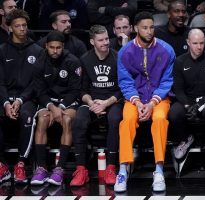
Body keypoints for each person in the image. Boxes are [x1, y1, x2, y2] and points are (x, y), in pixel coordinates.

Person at [114, 11, 175, 193]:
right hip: (135, 99)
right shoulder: (125, 52)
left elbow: (166, 81)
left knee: (159, 120)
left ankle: (159, 171)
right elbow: (125, 81)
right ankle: (123, 170)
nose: (149, 31)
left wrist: (152, 103)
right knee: (126, 122)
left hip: (159, 98)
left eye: (151, 27)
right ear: (135, 29)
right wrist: (139, 103)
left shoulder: (167, 50)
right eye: (145, 28)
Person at [70, 25, 123, 187]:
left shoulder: (118, 57)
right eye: (101, 40)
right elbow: (82, 90)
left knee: (115, 118)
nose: (105, 42)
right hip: (93, 102)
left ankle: (112, 167)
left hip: (113, 101)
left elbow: (123, 88)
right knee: (79, 119)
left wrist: (106, 103)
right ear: (92, 41)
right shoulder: (85, 59)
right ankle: (81, 169)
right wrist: (92, 103)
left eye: (107, 39)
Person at [30, 30, 81, 186]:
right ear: (46, 46)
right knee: (42, 120)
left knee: (66, 119)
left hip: (68, 101)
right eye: (52, 47)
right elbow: (39, 91)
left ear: (63, 46)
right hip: (48, 101)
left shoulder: (72, 61)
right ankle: (41, 168)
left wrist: (61, 107)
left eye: (58, 48)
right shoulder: (40, 62)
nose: (55, 51)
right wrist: (52, 108)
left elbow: (75, 90)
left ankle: (59, 169)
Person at [0, 9, 42, 184]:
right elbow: (0, 81)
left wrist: (19, 100)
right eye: (18, 26)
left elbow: (36, 83)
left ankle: (21, 164)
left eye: (24, 25)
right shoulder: (2, 50)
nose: (22, 29)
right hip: (5, 96)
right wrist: (5, 103)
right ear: (10, 28)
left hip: (27, 98)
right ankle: (1, 166)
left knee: (27, 115)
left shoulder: (38, 50)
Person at [168, 28, 205, 161]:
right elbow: (178, 89)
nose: (199, 47)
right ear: (188, 42)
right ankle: (186, 138)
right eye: (195, 43)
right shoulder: (180, 61)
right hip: (187, 99)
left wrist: (199, 104)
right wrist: (187, 105)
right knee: (174, 113)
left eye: (202, 43)